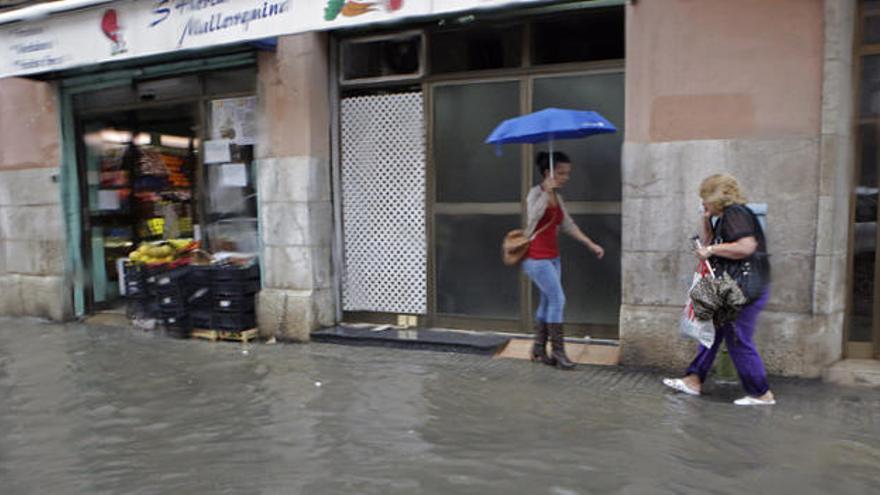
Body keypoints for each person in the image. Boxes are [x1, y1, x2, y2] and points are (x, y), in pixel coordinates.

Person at [663, 173, 776, 405]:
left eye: (705, 198)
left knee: (738, 339)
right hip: (735, 286)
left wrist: (712, 251)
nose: (702, 203)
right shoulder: (724, 216)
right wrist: (706, 220)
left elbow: (746, 246)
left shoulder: (736, 213)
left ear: (717, 197)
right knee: (711, 332)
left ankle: (762, 393)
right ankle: (693, 380)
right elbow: (711, 242)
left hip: (743, 288)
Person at [523, 151, 604, 370]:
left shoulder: (557, 197)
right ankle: (558, 353)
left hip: (552, 257)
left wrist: (590, 243)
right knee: (558, 300)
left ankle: (539, 348)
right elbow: (531, 219)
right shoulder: (535, 193)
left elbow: (567, 224)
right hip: (535, 257)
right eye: (561, 173)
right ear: (548, 172)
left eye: (568, 173)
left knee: (548, 301)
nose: (566, 177)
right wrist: (544, 194)